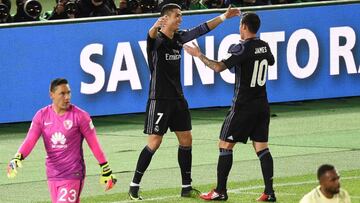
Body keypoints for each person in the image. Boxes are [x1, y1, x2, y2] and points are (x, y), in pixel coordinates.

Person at [128, 3, 240, 200]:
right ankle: (134, 186)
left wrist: (224, 16)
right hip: (159, 99)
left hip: (177, 99)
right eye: (177, 16)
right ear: (166, 19)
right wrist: (155, 26)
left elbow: (202, 29)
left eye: (181, 16)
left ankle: (186, 187)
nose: (180, 19)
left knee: (186, 139)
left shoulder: (179, 37)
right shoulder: (157, 40)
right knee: (155, 142)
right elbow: (151, 36)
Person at [184, 12, 276, 201]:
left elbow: (218, 67)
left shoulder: (242, 48)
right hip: (262, 105)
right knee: (262, 147)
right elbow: (271, 61)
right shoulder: (264, 46)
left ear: (243, 26)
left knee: (225, 145)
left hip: (243, 106)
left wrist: (198, 54)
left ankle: (220, 191)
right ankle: (269, 192)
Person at [7, 78, 117, 203]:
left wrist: (105, 168)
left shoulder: (80, 116)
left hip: (73, 173)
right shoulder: (41, 115)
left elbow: (94, 143)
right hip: (52, 174)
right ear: (51, 95)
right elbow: (30, 140)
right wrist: (17, 158)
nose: (67, 97)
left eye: (69, 93)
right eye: (62, 93)